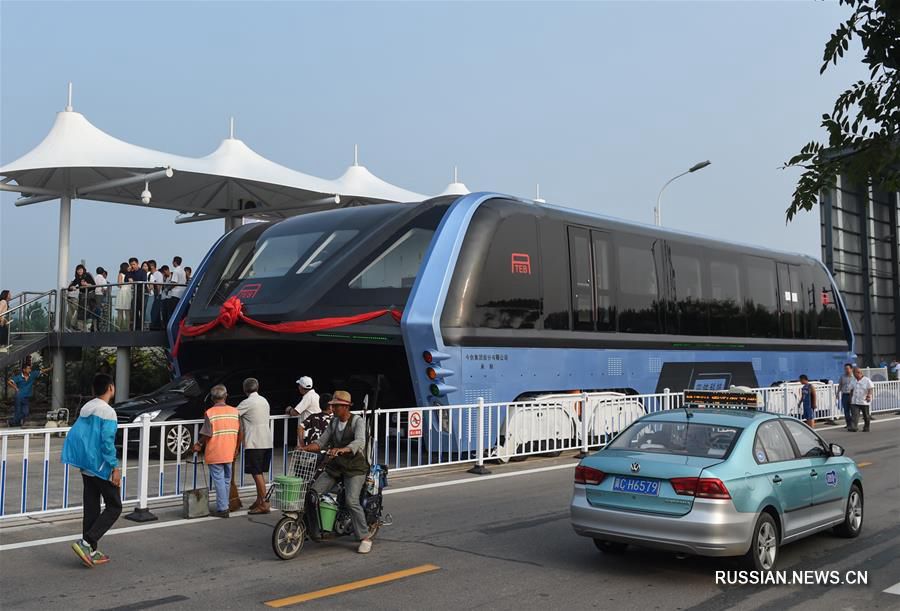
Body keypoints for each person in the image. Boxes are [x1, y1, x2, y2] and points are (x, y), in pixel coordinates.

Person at [61, 373, 121, 568]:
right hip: (100, 466)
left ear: (93, 390)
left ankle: (91, 551)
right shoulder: (108, 412)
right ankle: (86, 543)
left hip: (85, 465)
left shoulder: (86, 408)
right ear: (111, 388)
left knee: (92, 508)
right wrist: (115, 467)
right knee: (114, 506)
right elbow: (107, 443)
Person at [302, 391, 374, 554]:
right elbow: (322, 441)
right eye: (332, 406)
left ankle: (364, 537)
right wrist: (307, 447)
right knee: (312, 493)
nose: (332, 408)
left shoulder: (357, 421)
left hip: (355, 468)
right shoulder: (333, 422)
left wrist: (343, 449)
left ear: (345, 407)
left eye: (335, 406)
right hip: (336, 467)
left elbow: (360, 441)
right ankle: (312, 527)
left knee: (351, 501)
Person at [191, 385, 240, 517]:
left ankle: (223, 508)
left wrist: (198, 444)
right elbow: (240, 431)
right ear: (226, 396)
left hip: (216, 451)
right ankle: (225, 505)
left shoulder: (210, 413)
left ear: (212, 398)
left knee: (219, 480)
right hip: (229, 450)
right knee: (226, 480)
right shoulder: (235, 411)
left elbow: (207, 433)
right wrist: (237, 448)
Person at [236, 377, 272, 514]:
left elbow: (233, 413)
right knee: (260, 472)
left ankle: (264, 502)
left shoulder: (247, 402)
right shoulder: (264, 400)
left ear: (245, 389)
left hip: (254, 442)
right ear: (257, 387)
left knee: (256, 473)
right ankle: (259, 500)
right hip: (266, 440)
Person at [7, 362, 52, 427]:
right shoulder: (18, 377)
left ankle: (12, 422)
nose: (30, 370)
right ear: (24, 370)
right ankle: (15, 423)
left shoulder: (32, 375)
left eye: (30, 369)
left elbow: (41, 371)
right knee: (18, 412)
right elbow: (9, 382)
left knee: (26, 412)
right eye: (28, 369)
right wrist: (16, 388)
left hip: (26, 397)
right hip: (19, 397)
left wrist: (50, 368)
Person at [67, 264, 95, 331]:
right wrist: (72, 287)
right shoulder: (77, 277)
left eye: (81, 269)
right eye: (78, 270)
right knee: (81, 312)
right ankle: (81, 328)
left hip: (89, 295)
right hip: (82, 295)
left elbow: (94, 285)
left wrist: (87, 285)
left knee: (89, 311)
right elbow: (69, 287)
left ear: (83, 270)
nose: (79, 271)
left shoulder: (87, 275)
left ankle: (88, 328)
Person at [849, 366, 875, 432]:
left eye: (854, 373)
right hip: (855, 401)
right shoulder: (853, 380)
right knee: (854, 415)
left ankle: (866, 427)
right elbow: (851, 389)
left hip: (864, 401)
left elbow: (870, 388)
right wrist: (850, 398)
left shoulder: (866, 380)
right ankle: (854, 427)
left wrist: (869, 396)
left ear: (859, 373)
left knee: (866, 415)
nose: (853, 375)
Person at [164, 256, 187, 326]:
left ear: (174, 262)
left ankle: (171, 326)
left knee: (171, 312)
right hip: (181, 294)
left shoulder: (176, 270)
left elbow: (174, 282)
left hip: (175, 294)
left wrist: (167, 289)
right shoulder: (183, 271)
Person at [114, 262, 132, 331]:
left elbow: (119, 285)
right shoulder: (122, 274)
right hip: (126, 292)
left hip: (123, 292)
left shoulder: (123, 274)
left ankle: (120, 328)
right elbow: (119, 285)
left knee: (122, 312)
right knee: (124, 312)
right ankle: (124, 328)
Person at [836, 363, 854, 430]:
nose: (846, 370)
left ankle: (853, 424)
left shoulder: (854, 377)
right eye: (845, 369)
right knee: (846, 411)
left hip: (852, 395)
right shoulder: (842, 376)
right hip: (845, 395)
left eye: (848, 368)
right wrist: (837, 393)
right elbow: (840, 385)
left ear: (851, 369)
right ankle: (848, 424)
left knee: (853, 410)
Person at [147, 260, 164, 330]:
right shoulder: (151, 274)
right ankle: (156, 326)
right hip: (153, 295)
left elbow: (159, 285)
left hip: (157, 295)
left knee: (154, 311)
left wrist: (157, 294)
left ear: (152, 266)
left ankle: (155, 326)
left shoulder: (158, 274)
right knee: (153, 311)